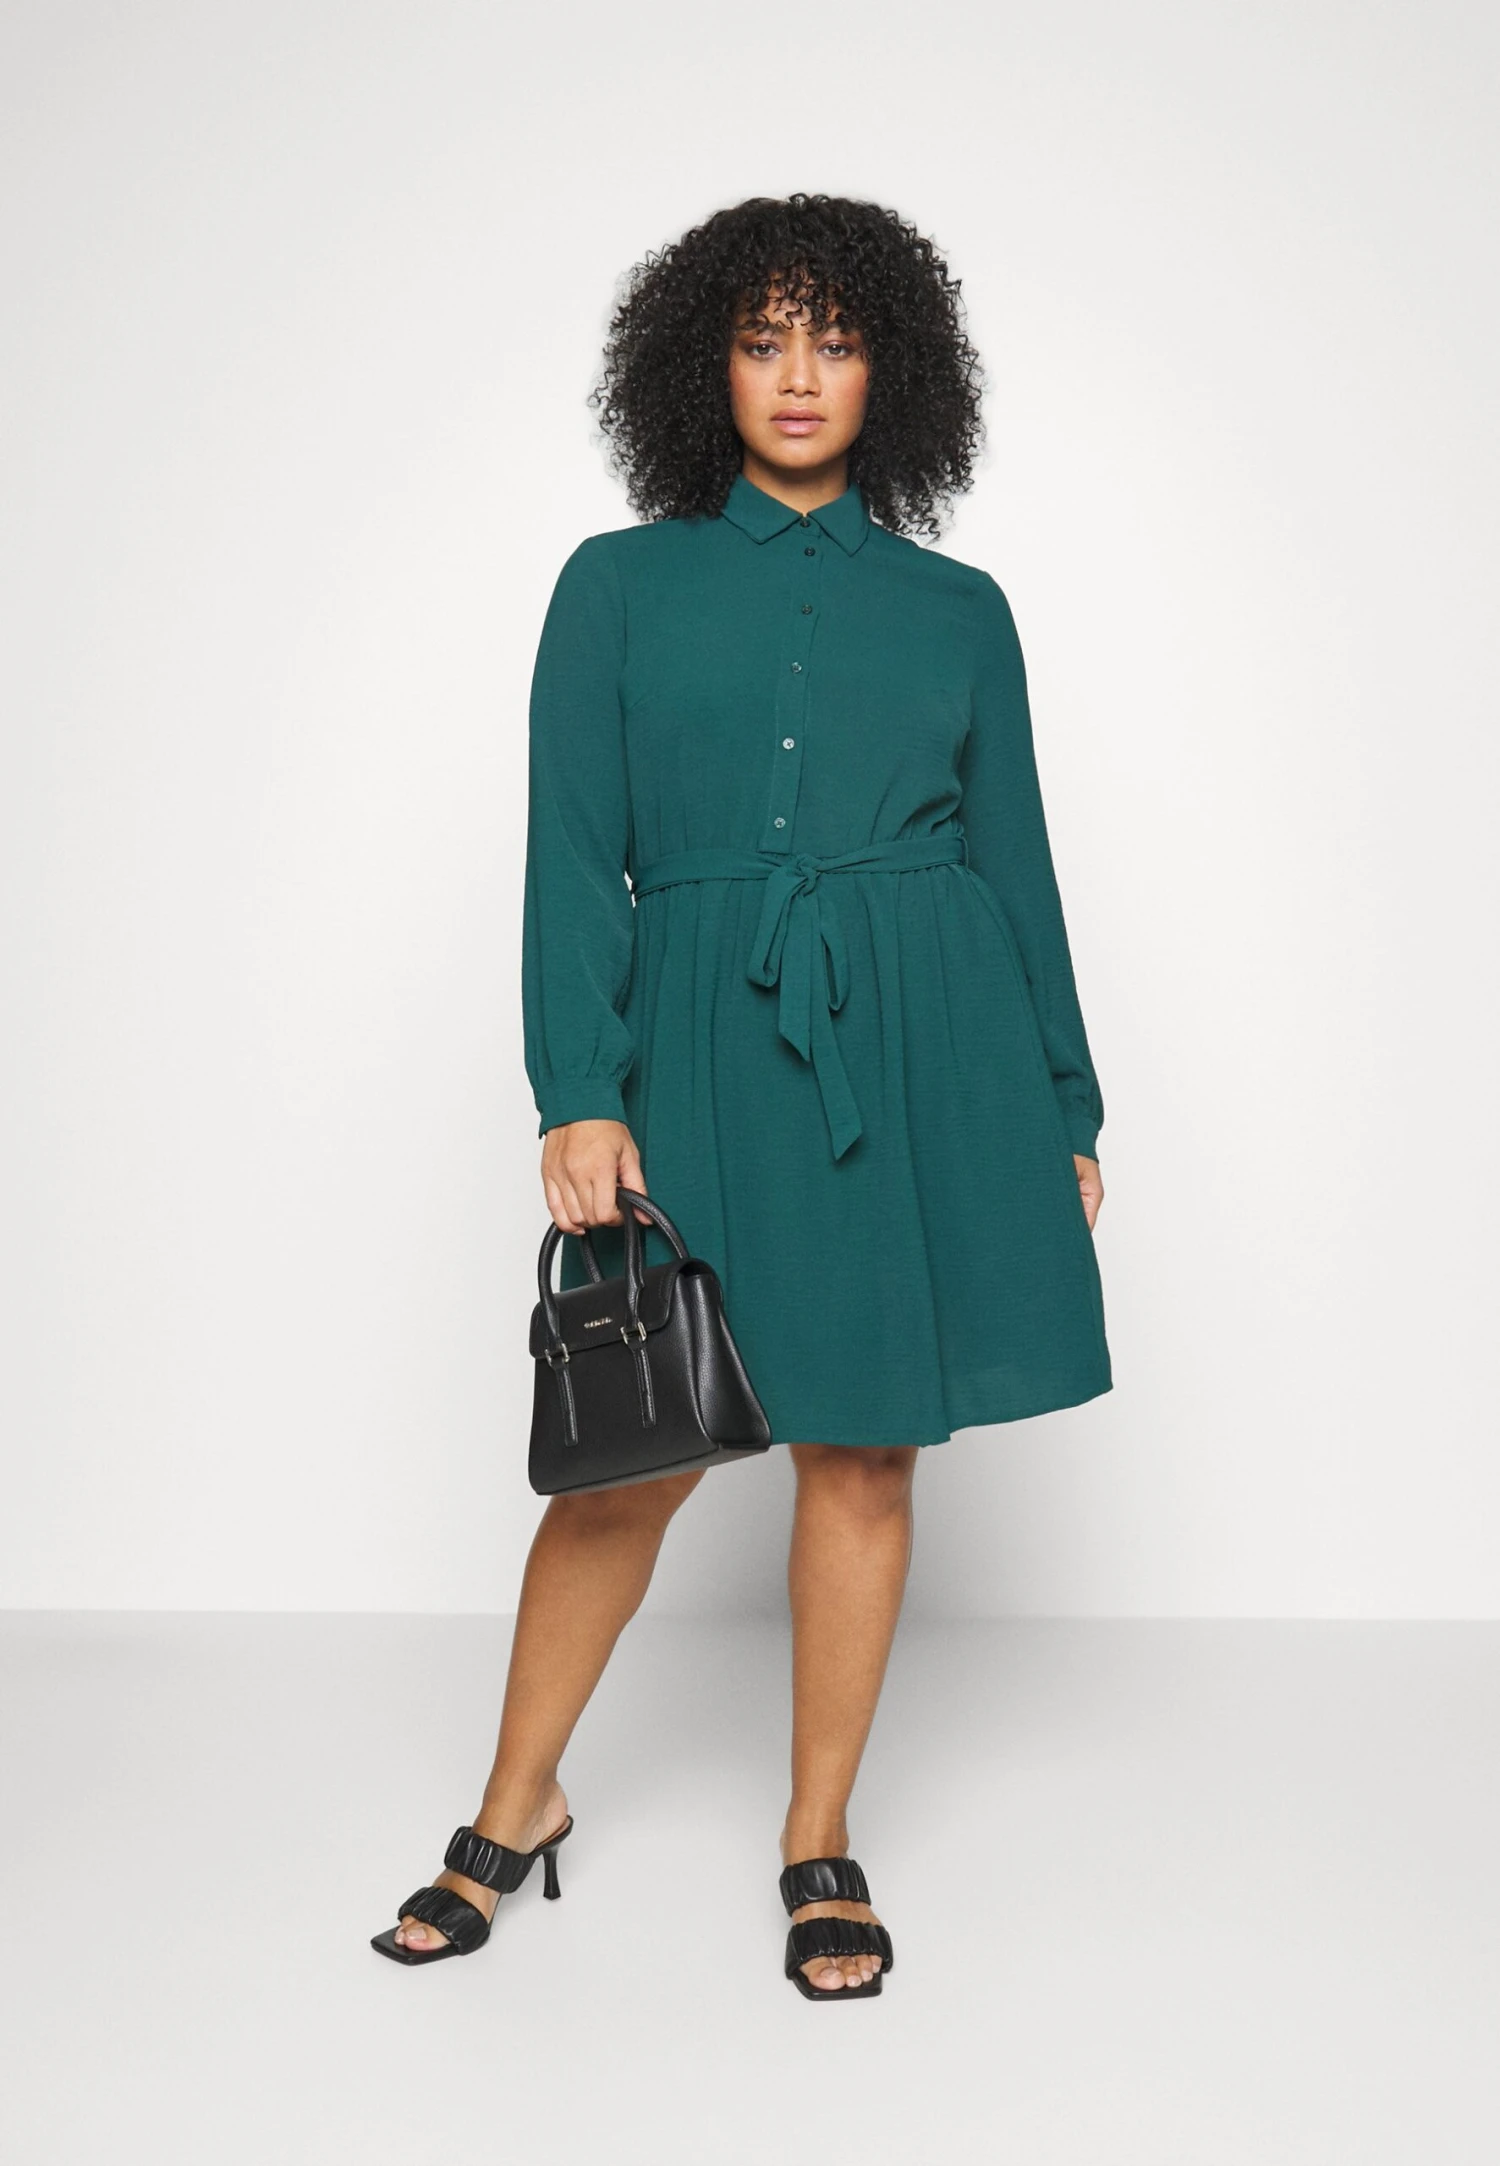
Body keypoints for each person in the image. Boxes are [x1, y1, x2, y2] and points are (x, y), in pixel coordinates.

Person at [370, 192, 1112, 1998]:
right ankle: (518, 1798)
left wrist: (1063, 1101)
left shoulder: (960, 610)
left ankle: (817, 1834)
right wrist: (579, 1087)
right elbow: (572, 854)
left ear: (891, 374)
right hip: (697, 1040)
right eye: (765, 339)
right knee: (634, 1452)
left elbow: (1015, 864)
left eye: (836, 342)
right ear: (702, 364)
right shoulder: (614, 586)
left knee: (862, 1448)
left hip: (916, 1047)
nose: (797, 375)